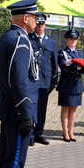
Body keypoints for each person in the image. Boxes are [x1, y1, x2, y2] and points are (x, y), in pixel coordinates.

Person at [0, 0, 40, 168]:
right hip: (18, 113)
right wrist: (25, 114)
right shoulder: (21, 40)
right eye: (35, 17)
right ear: (25, 17)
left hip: (9, 110)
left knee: (4, 160)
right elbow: (19, 81)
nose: (37, 21)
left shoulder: (7, 37)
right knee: (14, 163)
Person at [28, 13, 58, 146]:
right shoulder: (28, 39)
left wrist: (54, 80)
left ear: (45, 25)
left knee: (42, 109)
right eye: (38, 24)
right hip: (32, 80)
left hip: (45, 81)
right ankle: (30, 134)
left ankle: (39, 133)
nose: (40, 26)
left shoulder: (51, 42)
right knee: (31, 107)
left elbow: (54, 63)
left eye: (43, 24)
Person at [57, 29, 84, 142]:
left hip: (77, 83)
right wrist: (74, 65)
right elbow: (63, 69)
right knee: (65, 108)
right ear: (66, 40)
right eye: (71, 39)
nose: (73, 41)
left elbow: (83, 70)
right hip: (66, 83)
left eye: (75, 39)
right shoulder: (62, 53)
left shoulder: (80, 53)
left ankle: (71, 131)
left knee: (74, 109)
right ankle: (65, 132)